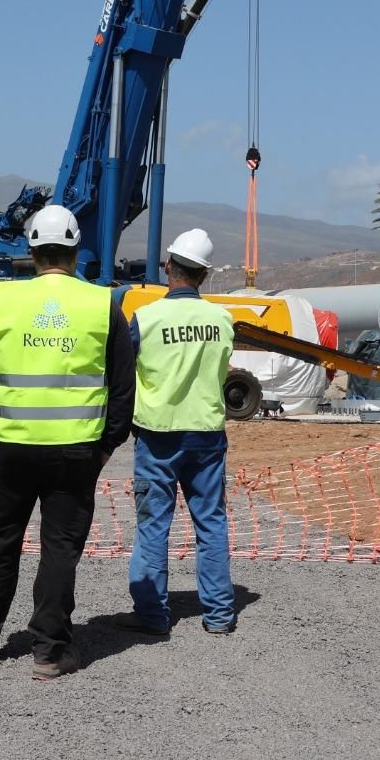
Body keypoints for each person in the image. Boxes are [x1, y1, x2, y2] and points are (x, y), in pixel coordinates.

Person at [0, 205, 135, 681]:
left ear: (31, 251)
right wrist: (106, 447)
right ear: (76, 252)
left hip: (10, 448)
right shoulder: (104, 304)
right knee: (60, 548)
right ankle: (49, 651)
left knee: (1, 541)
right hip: (76, 453)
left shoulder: (6, 302)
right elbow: (123, 389)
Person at [108, 228, 237, 636]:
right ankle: (218, 615)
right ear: (203, 275)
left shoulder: (145, 319)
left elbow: (124, 375)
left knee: (153, 525)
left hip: (158, 436)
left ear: (168, 267)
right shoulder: (221, 319)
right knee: (211, 523)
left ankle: (152, 615)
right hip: (206, 435)